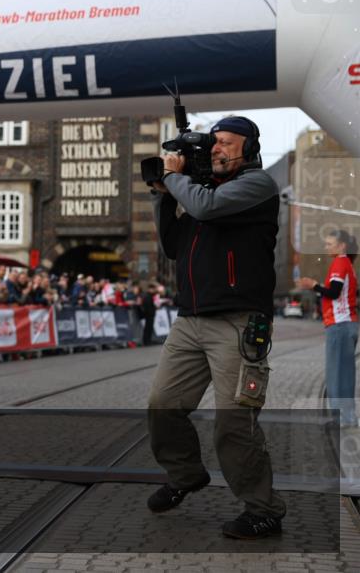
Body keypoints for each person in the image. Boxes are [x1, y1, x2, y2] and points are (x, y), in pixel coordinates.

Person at [147, 116, 285, 539]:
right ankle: (186, 474)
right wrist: (162, 195)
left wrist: (176, 180)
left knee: (233, 422)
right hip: (190, 320)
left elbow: (206, 208)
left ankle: (263, 509)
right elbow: (173, 245)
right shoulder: (203, 191)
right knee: (162, 406)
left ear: (249, 147)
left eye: (226, 142)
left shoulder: (257, 186)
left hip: (238, 322)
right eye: (213, 144)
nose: (217, 149)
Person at [296, 229, 359, 427]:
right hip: (347, 324)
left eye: (329, 243)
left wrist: (313, 285)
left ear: (341, 246)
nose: (326, 247)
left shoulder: (339, 263)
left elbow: (333, 292)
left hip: (339, 325)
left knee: (336, 374)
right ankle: (347, 418)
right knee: (346, 374)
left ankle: (339, 418)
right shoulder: (347, 263)